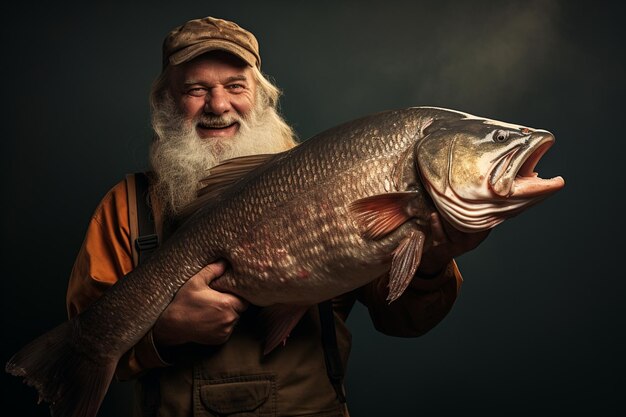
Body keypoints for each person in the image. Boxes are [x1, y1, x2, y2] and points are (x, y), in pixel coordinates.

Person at [66, 16, 489, 417]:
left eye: (235, 85)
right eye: (196, 89)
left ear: (263, 97)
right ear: (166, 102)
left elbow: (403, 321)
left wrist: (432, 264)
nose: (218, 105)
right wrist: (163, 334)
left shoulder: (326, 178)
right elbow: (85, 345)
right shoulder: (125, 206)